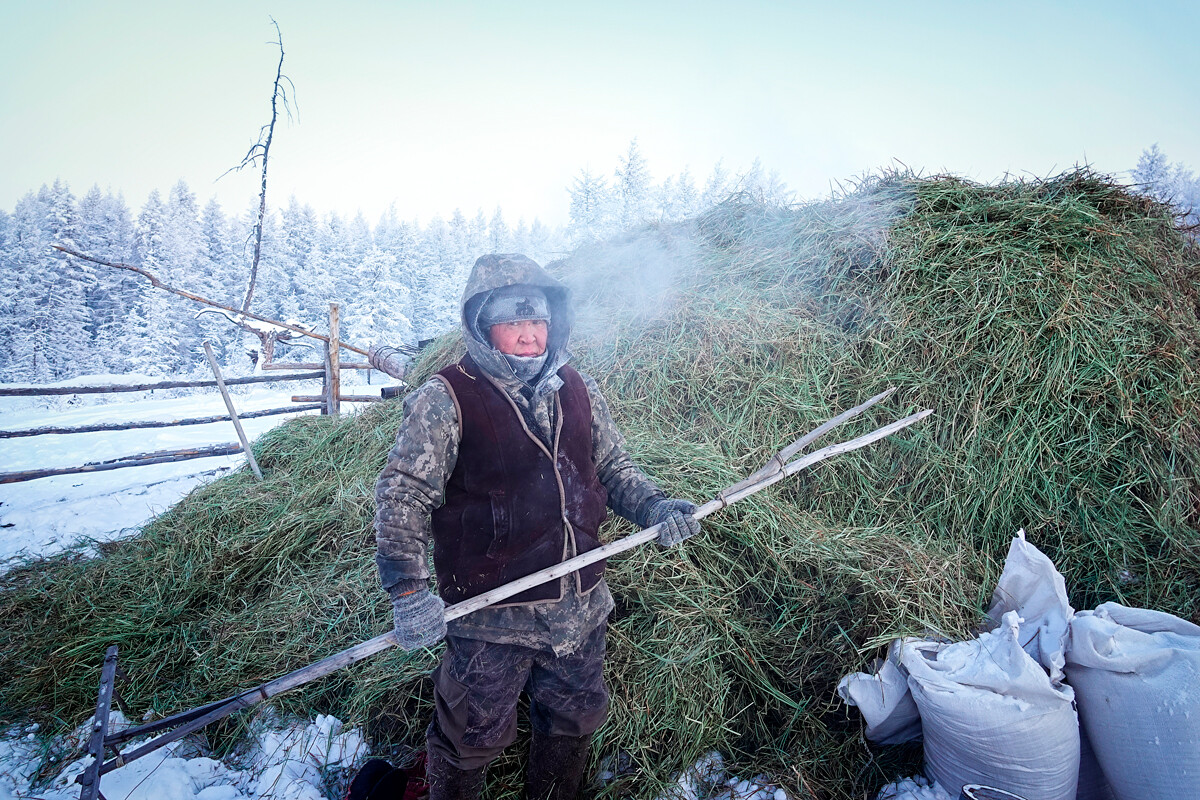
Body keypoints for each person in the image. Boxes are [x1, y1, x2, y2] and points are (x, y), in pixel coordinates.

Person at [374, 253, 699, 800]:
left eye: (538, 321)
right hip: (492, 616)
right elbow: (403, 493)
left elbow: (613, 470)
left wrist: (655, 507)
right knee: (469, 736)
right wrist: (408, 589)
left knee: (572, 723)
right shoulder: (445, 398)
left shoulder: (577, 386)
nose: (529, 335)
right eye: (514, 322)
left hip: (582, 604)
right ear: (482, 324)